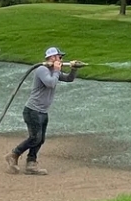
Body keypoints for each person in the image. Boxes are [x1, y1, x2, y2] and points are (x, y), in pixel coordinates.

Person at [5, 46, 82, 175]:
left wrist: (74, 69)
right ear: (52, 58)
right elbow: (50, 83)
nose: (62, 59)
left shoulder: (53, 70)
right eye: (59, 57)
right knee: (35, 138)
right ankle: (13, 154)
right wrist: (57, 70)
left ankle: (31, 164)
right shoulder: (42, 70)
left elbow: (69, 79)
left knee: (40, 139)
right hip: (32, 111)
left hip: (43, 111)